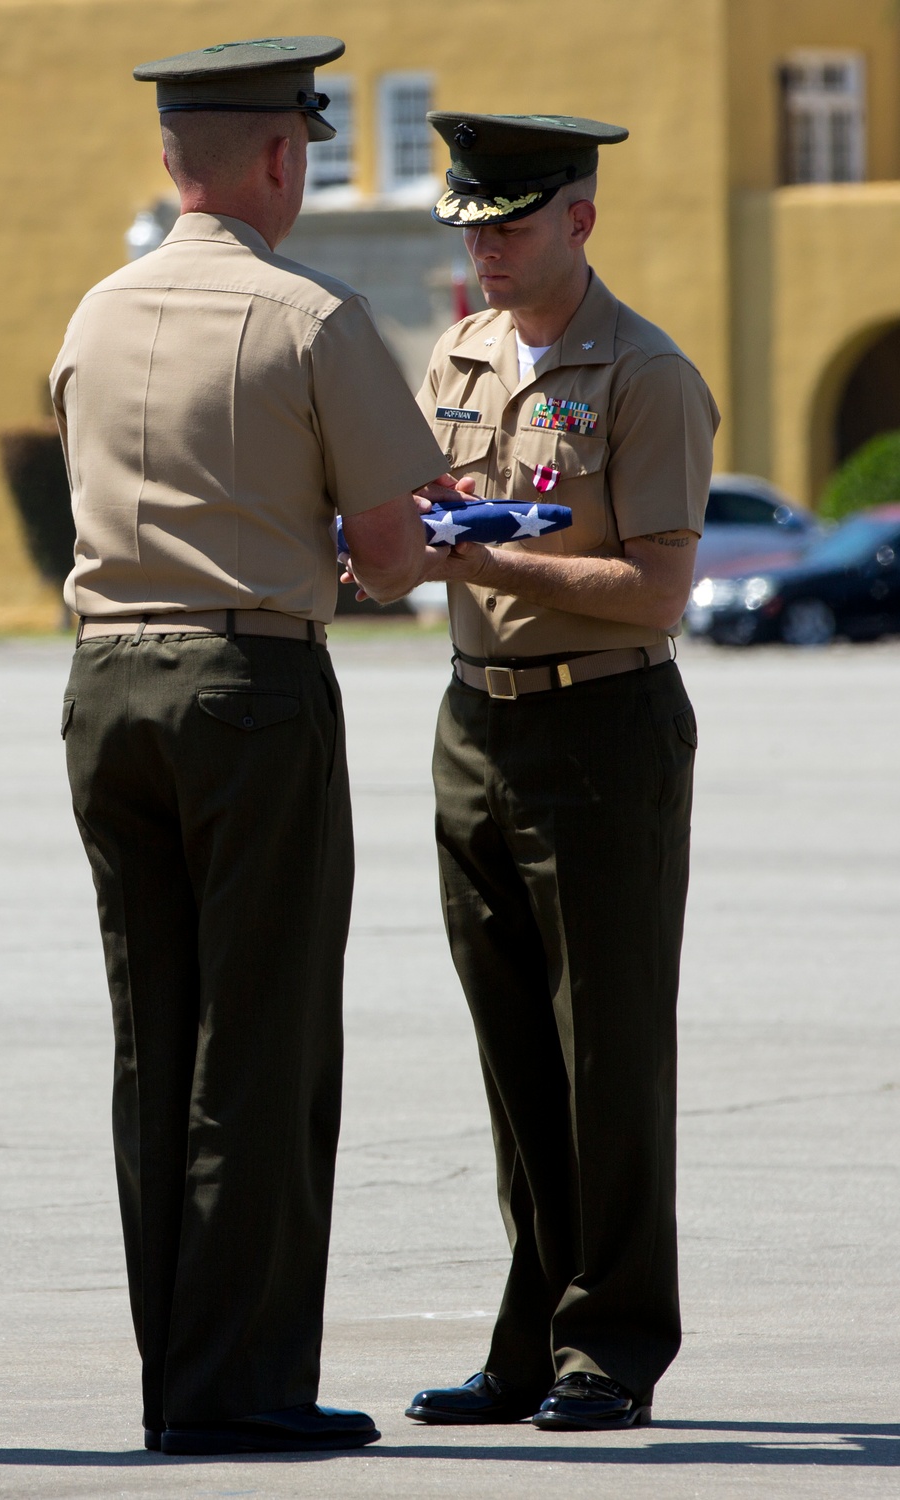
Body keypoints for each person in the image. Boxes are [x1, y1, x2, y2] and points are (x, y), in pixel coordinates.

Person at [50, 36, 447, 1456]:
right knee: (261, 1048)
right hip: (248, 687)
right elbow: (399, 558)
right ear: (285, 157)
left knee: (155, 1044)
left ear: (173, 159)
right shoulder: (312, 317)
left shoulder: (92, 315)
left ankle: (181, 1377)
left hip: (105, 691)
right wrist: (342, 546)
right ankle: (244, 1385)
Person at [402, 113, 720, 1432]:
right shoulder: (460, 355)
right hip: (477, 724)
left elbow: (657, 591)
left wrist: (488, 564)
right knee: (516, 1055)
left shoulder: (645, 374)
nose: (486, 250)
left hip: (603, 731)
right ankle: (530, 1340)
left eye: (511, 225)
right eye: (471, 227)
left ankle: (615, 1343)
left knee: (610, 1054)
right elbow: (420, 522)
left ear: (579, 221)